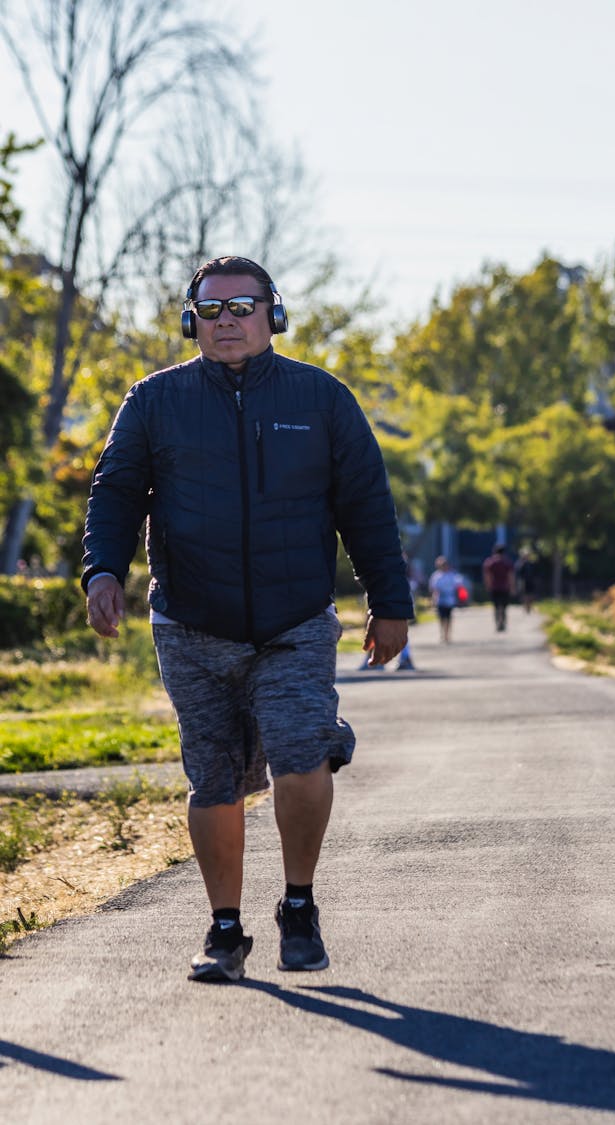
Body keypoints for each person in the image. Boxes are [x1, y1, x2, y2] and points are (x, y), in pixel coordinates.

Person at [81, 256, 412, 983]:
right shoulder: (153, 401)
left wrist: (390, 604)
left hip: (294, 621)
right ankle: (224, 929)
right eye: (211, 308)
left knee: (298, 758)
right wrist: (101, 568)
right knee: (215, 779)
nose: (226, 319)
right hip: (190, 624)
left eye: (242, 306)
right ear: (190, 318)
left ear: (273, 313)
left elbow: (366, 507)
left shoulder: (321, 398)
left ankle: (298, 902)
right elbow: (115, 492)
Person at [428, 555, 464, 643]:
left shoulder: (452, 575)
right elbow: (432, 589)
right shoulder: (436, 576)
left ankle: (447, 635)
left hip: (450, 600)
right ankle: (442, 634)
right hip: (440, 600)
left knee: (448, 618)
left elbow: (458, 587)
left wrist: (460, 599)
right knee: (441, 618)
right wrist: (432, 599)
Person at [482, 543, 515, 631]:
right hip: (505, 587)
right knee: (504, 607)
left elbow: (487, 576)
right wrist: (512, 587)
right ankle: (503, 622)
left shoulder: (490, 562)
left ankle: (497, 622)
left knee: (496, 607)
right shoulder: (507, 562)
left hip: (494, 587)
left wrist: (488, 585)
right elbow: (510, 576)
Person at [514, 547, 537, 613]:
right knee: (525, 594)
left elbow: (535, 573)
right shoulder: (521, 564)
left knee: (531, 594)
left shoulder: (532, 564)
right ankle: (526, 606)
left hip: (531, 581)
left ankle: (529, 606)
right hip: (523, 581)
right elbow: (518, 573)